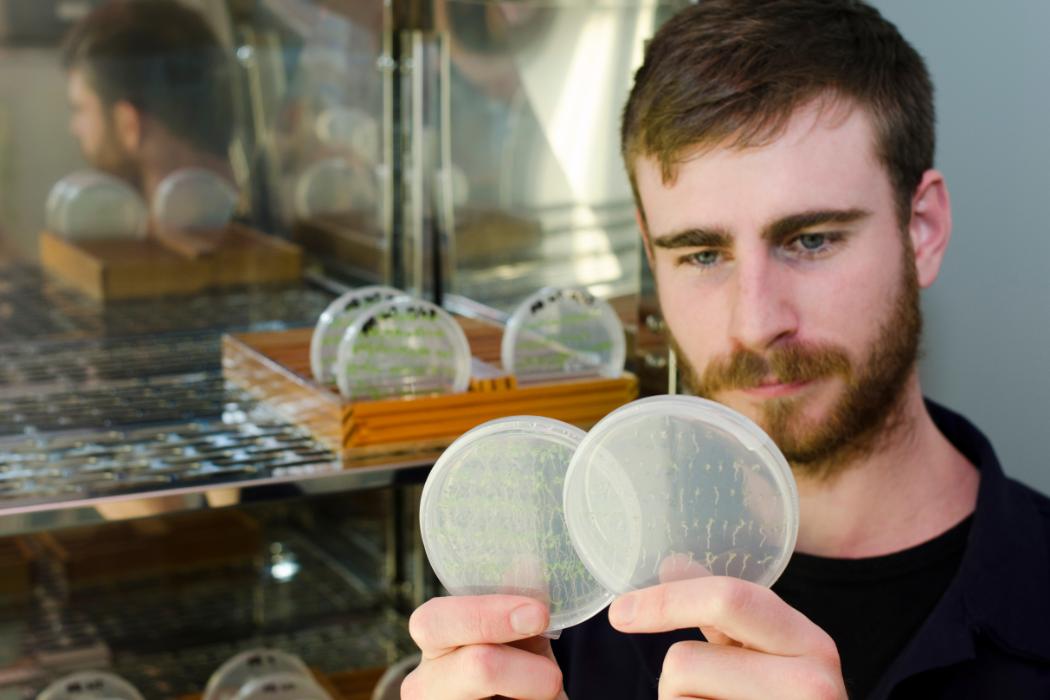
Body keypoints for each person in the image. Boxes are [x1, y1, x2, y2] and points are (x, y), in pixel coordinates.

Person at [402, 1, 1050, 698]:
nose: (754, 323)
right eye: (704, 255)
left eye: (811, 240)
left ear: (921, 229)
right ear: (653, 260)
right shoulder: (566, 621)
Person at [61, 0, 235, 207]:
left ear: (129, 123)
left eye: (80, 109)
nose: (74, 128)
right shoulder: (255, 224)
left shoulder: (159, 236)